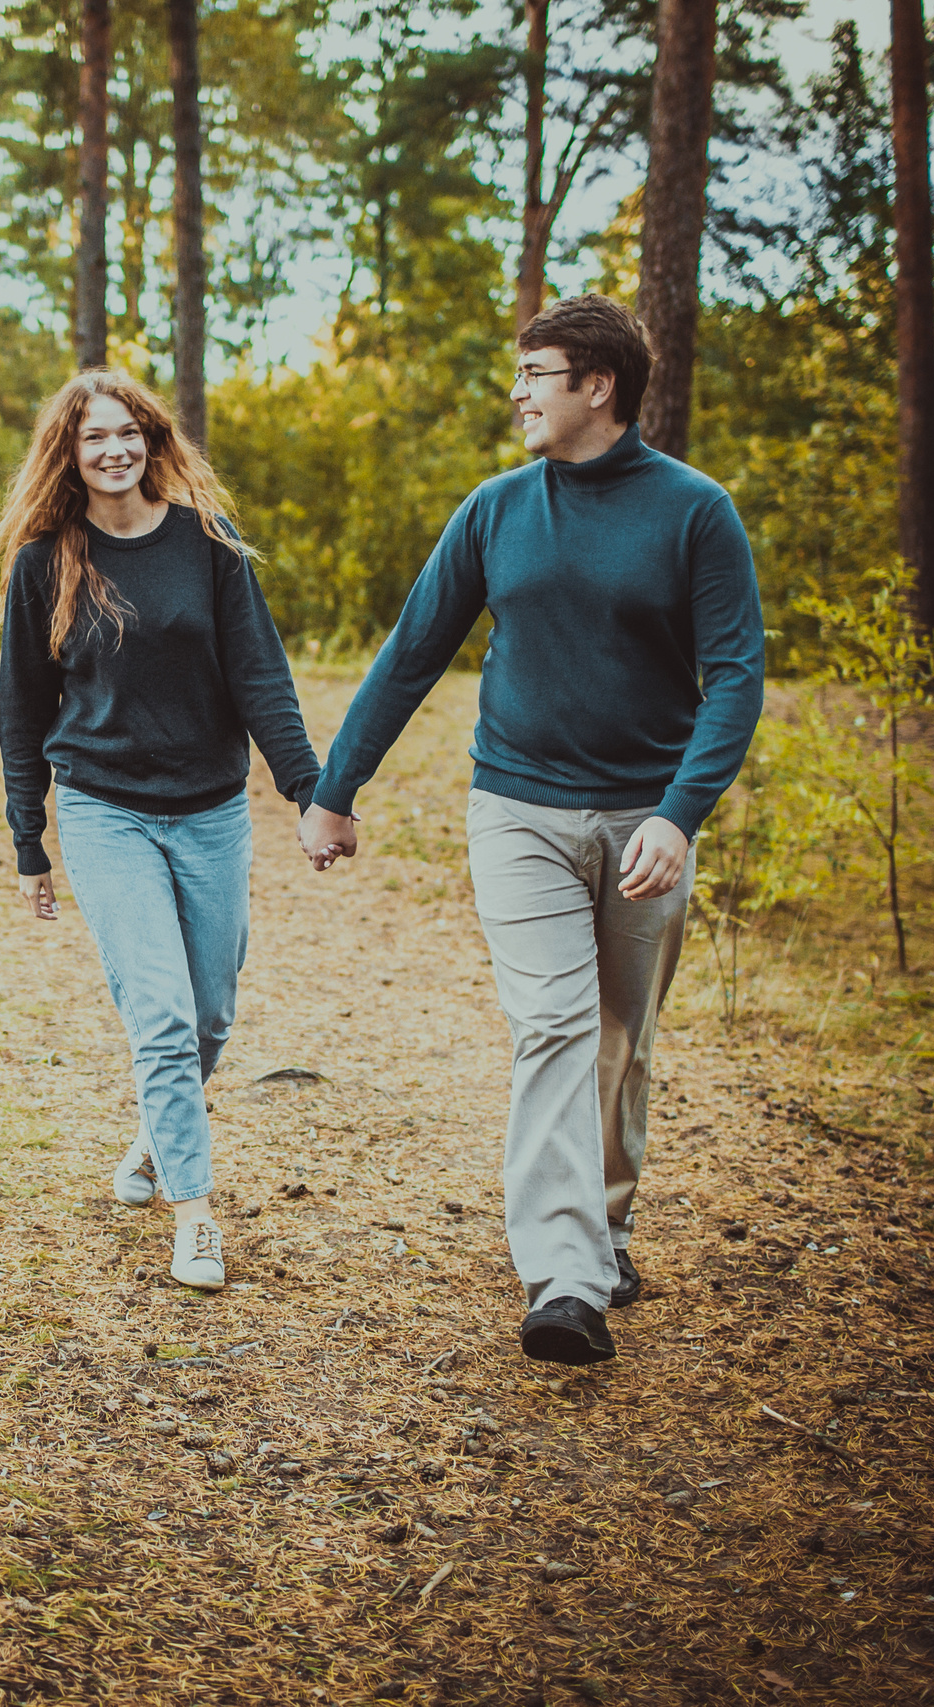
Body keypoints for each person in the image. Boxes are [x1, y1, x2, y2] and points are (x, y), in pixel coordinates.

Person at [298, 295, 764, 1365]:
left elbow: (735, 676)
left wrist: (680, 816)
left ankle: (605, 1224)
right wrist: (336, 788)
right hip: (517, 812)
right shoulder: (496, 511)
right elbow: (412, 653)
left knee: (620, 1040)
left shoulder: (695, 512)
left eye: (535, 372)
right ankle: (564, 1276)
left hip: (646, 820)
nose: (517, 392)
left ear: (596, 386)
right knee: (554, 1023)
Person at [0, 369, 323, 1293]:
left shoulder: (208, 548)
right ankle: (196, 1217)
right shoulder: (45, 563)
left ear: (152, 440)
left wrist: (308, 789)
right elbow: (21, 712)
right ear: (69, 452)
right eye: (94, 436)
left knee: (211, 1011)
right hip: (105, 811)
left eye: (128, 431)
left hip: (211, 810)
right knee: (165, 1019)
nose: (114, 449)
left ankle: (151, 1135)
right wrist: (32, 841)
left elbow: (263, 678)